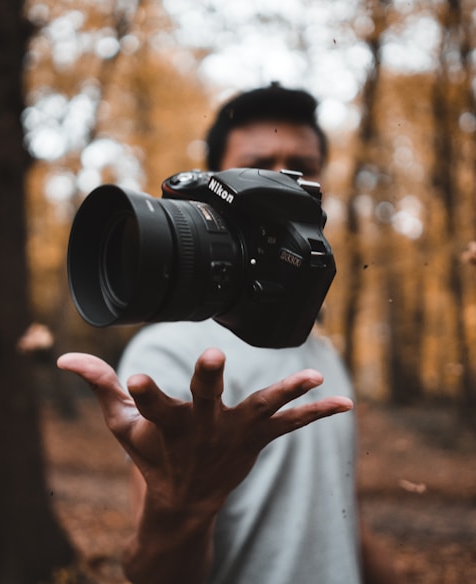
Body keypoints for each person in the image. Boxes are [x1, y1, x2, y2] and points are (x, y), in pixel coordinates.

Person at [58, 85, 400, 583]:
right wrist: (183, 509)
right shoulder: (172, 352)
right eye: (262, 166)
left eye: (301, 168)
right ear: (217, 178)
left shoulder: (319, 348)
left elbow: (340, 519)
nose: (285, 184)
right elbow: (154, 572)